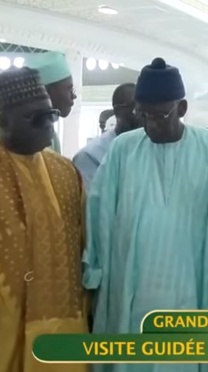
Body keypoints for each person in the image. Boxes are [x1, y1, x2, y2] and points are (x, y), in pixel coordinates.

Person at [83, 58, 208, 372]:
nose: (151, 124)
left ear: (182, 108)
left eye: (160, 115)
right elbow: (100, 211)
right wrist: (95, 270)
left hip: (194, 287)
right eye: (143, 114)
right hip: (135, 290)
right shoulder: (123, 150)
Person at [0, 67, 88, 372]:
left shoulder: (66, 173)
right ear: (3, 120)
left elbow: (84, 247)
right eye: (34, 118)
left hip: (63, 325)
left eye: (50, 115)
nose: (48, 125)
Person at [73, 83, 140, 191]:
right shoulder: (90, 156)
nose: (141, 115)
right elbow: (91, 202)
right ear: (117, 111)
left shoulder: (149, 148)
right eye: (134, 108)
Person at [24, 51, 78, 154]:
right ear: (46, 92)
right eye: (69, 90)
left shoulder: (52, 137)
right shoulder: (22, 138)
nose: (74, 96)